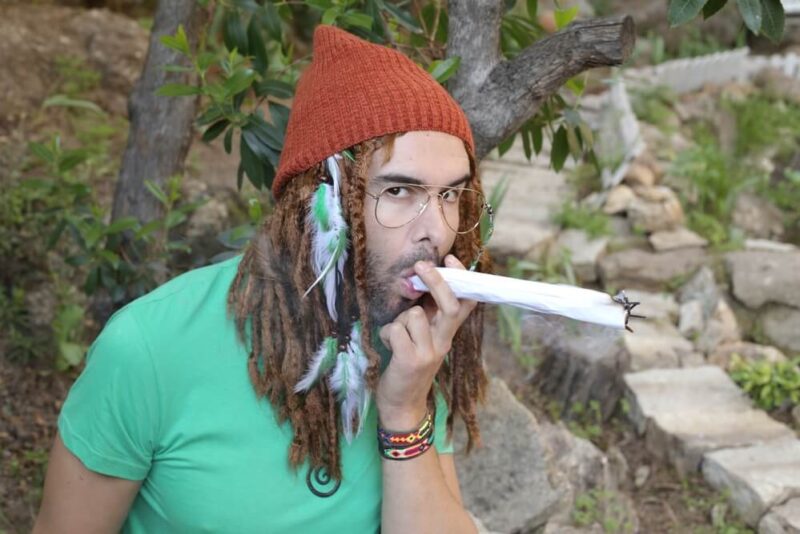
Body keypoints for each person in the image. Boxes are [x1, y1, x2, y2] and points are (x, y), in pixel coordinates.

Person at [34, 24, 490, 533]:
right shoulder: (149, 348)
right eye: (400, 191)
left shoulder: (411, 341)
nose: (436, 231)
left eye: (450, 195)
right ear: (317, 202)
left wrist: (405, 409)